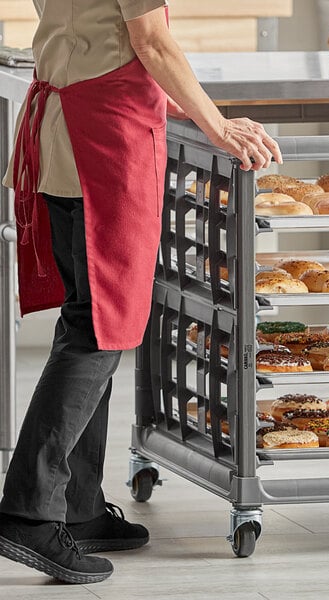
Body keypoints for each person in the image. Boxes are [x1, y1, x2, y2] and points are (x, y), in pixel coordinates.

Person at [0, 0, 282, 585]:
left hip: (63, 135)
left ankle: (75, 507)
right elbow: (150, 40)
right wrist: (218, 126)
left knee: (88, 317)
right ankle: (29, 512)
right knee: (100, 327)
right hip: (105, 143)